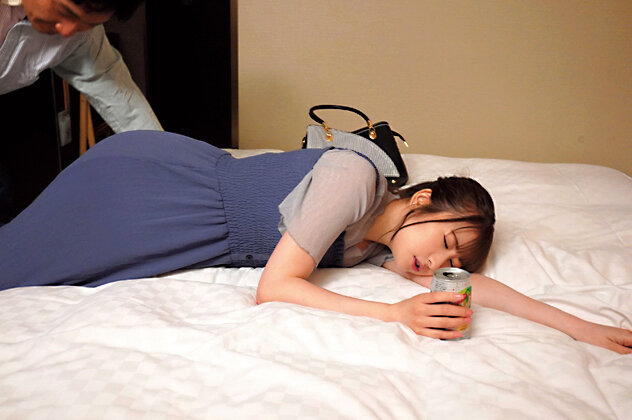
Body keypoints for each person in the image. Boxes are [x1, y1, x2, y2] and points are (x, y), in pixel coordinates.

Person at [1, 130, 631, 355]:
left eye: (450, 261)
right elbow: (274, 289)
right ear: (419, 201)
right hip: (153, 189)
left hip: (185, 228)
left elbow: (474, 287)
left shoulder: (383, 247)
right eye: (445, 241)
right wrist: (394, 315)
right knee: (14, 263)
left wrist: (581, 327)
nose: (436, 265)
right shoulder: (354, 178)